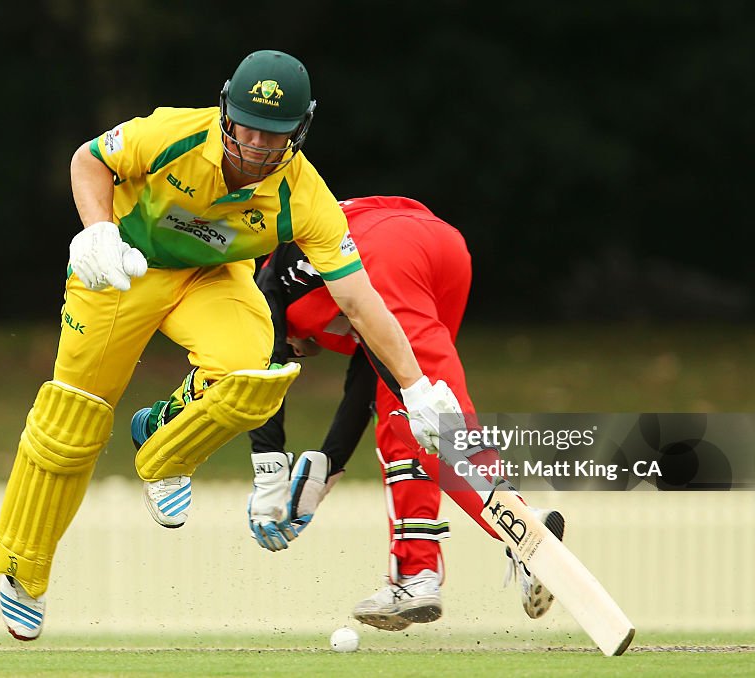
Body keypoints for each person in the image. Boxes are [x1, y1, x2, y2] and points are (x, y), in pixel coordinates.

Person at [0, 52, 461, 641]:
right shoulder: (173, 134)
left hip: (212, 277)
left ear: (301, 130)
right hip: (121, 268)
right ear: (225, 109)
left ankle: (163, 448)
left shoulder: (305, 196)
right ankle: (22, 571)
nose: (257, 145)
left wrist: (416, 388)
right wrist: (98, 231)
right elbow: (89, 159)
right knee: (72, 423)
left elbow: (361, 302)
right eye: (247, 125)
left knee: (252, 371)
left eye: (275, 134)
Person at [242, 196, 565, 631]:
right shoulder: (314, 276)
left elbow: (266, 370)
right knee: (406, 414)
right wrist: (329, 464)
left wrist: (271, 474)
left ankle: (522, 529)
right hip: (441, 247)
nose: (303, 354)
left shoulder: (264, 281)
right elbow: (372, 375)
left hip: (384, 252)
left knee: (432, 418)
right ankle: (415, 575)